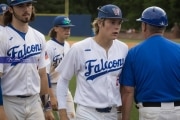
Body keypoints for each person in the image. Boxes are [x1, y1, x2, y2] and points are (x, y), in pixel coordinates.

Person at [55, 4, 128, 120]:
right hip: (87, 113)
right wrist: (63, 112)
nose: (117, 27)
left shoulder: (123, 48)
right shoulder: (79, 48)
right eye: (112, 22)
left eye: (119, 23)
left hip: (113, 113)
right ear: (100, 23)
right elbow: (63, 80)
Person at [120, 6, 180, 120]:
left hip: (151, 112)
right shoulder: (179, 49)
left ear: (144, 26)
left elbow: (128, 91)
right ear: (164, 26)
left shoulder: (134, 53)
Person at [0, 0, 54, 119]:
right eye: (20, 6)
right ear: (10, 9)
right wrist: (0, 109)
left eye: (28, 5)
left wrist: (47, 107)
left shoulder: (38, 37)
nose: (26, 9)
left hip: (34, 102)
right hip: (10, 102)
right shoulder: (2, 36)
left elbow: (43, 75)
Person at [46, 16, 76, 120]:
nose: (67, 30)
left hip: (63, 87)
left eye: (69, 28)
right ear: (56, 28)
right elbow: (44, 75)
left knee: (71, 117)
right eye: (64, 28)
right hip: (49, 88)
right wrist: (52, 97)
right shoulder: (48, 47)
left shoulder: (67, 45)